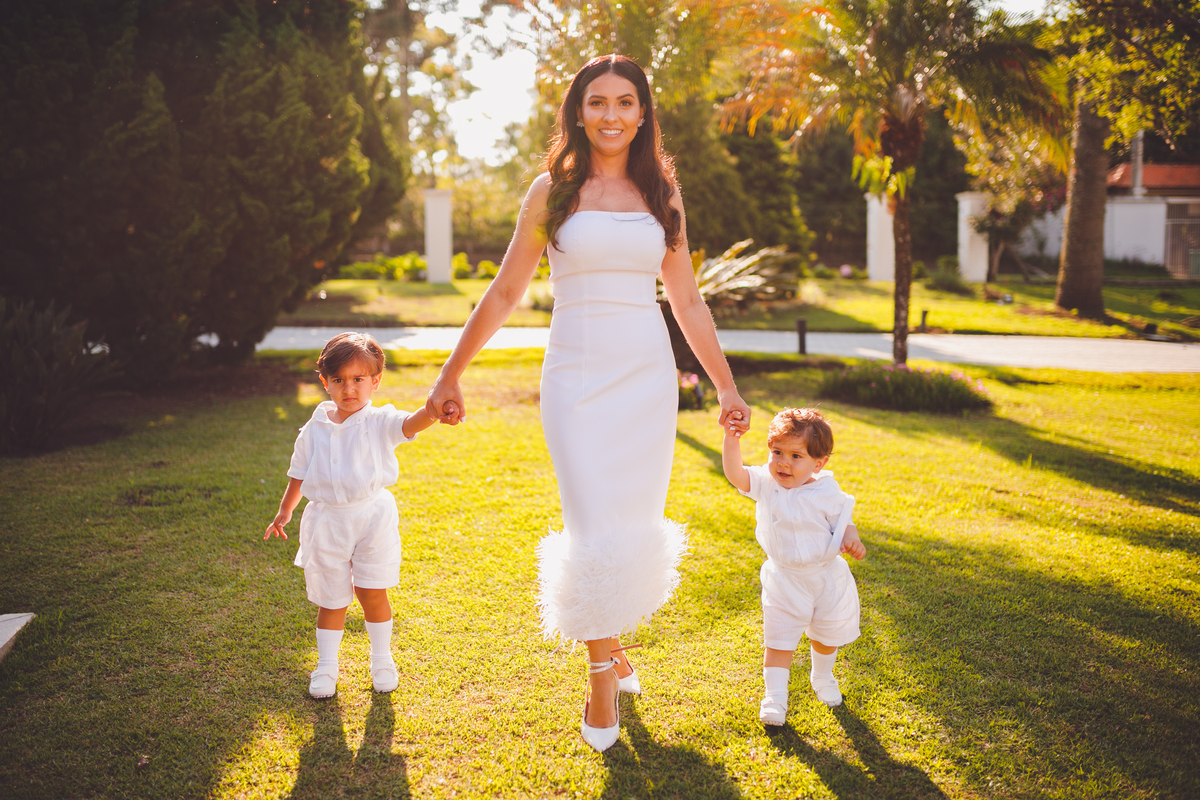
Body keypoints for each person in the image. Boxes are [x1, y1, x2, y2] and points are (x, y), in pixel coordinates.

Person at [424, 54, 751, 752]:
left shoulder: (662, 191)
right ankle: (602, 676)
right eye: (596, 102)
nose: (610, 115)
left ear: (643, 112)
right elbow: (506, 290)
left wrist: (724, 384)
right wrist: (451, 374)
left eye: (625, 102)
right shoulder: (553, 189)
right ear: (578, 112)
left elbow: (685, 297)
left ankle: (611, 644)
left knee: (629, 519)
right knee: (590, 518)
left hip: (645, 375)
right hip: (574, 377)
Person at [265, 332, 438, 699]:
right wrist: (284, 512)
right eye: (340, 380)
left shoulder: (379, 421)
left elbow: (410, 424)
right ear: (325, 382)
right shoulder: (314, 429)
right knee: (333, 599)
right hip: (328, 522)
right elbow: (299, 472)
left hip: (373, 518)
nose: (349, 389)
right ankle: (327, 666)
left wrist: (434, 410)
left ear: (375, 381)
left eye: (359, 379)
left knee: (372, 590)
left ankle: (382, 659)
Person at [721, 407, 866, 724]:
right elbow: (736, 474)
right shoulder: (765, 483)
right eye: (776, 452)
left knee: (826, 635)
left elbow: (844, 521)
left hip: (825, 578)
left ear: (819, 462)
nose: (783, 462)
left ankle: (823, 677)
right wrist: (731, 440)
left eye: (796, 456)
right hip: (784, 579)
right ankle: (775, 697)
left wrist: (851, 539)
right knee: (779, 638)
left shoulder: (826, 491)